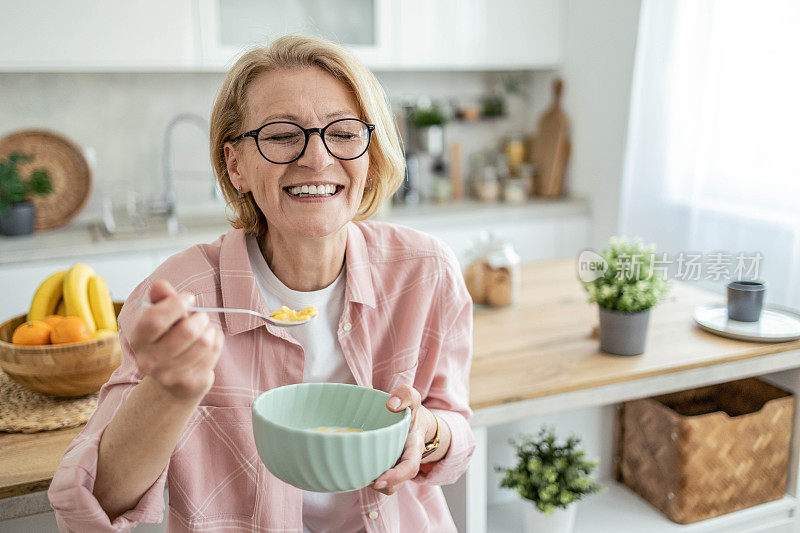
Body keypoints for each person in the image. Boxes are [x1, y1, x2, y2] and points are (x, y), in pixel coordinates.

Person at [48, 35, 475, 532]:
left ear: (371, 152)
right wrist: (168, 390)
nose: (317, 159)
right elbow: (92, 504)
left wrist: (429, 432)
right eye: (280, 135)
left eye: (342, 132)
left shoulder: (425, 272)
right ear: (236, 166)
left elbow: (453, 428)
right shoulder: (184, 295)